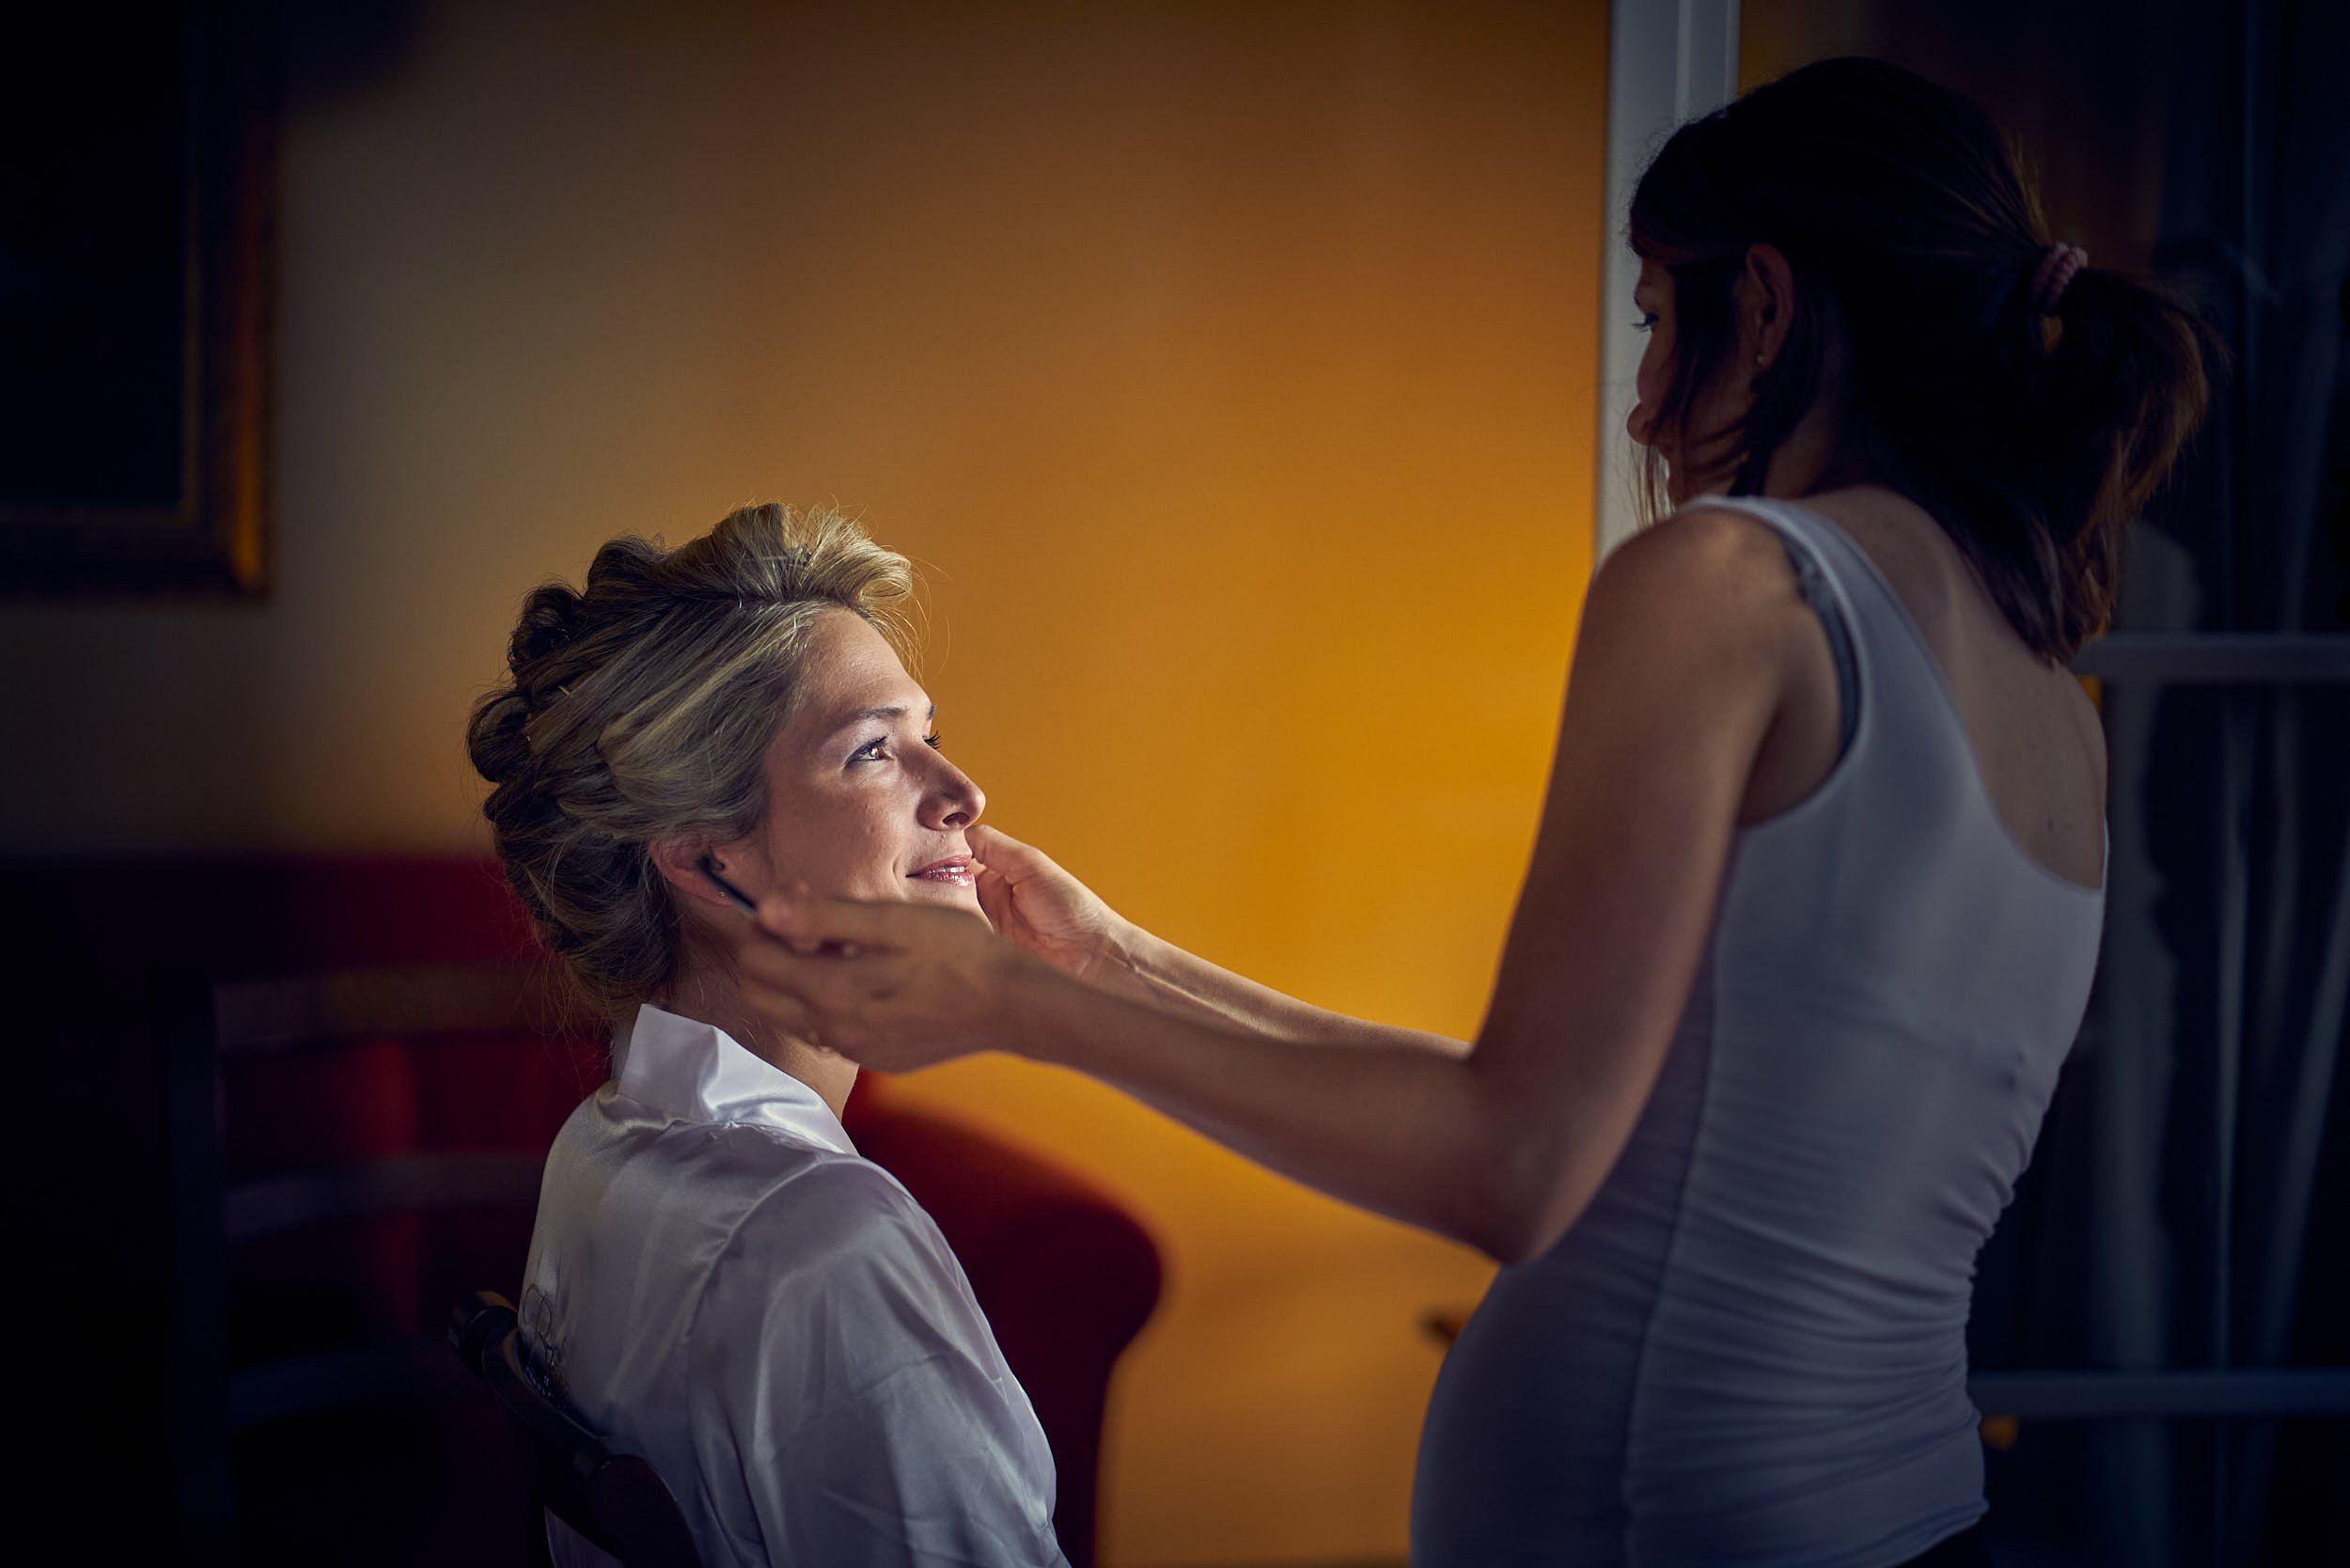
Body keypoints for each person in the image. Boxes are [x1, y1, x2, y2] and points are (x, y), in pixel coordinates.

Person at [719, 58, 2215, 1568]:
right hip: (1908, 1514)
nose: (1641, 399)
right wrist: (1108, 962)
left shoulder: (1732, 582)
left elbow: (1513, 1166)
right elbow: (1594, 1112)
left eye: (1653, 322)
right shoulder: (2046, 698)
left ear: (1763, 306)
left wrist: (1014, 1013)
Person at [466, 504, 1068, 1568]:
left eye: (933, 736)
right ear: (708, 863)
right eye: (876, 750)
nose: (964, 794)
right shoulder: (827, 1249)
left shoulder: (599, 1148)